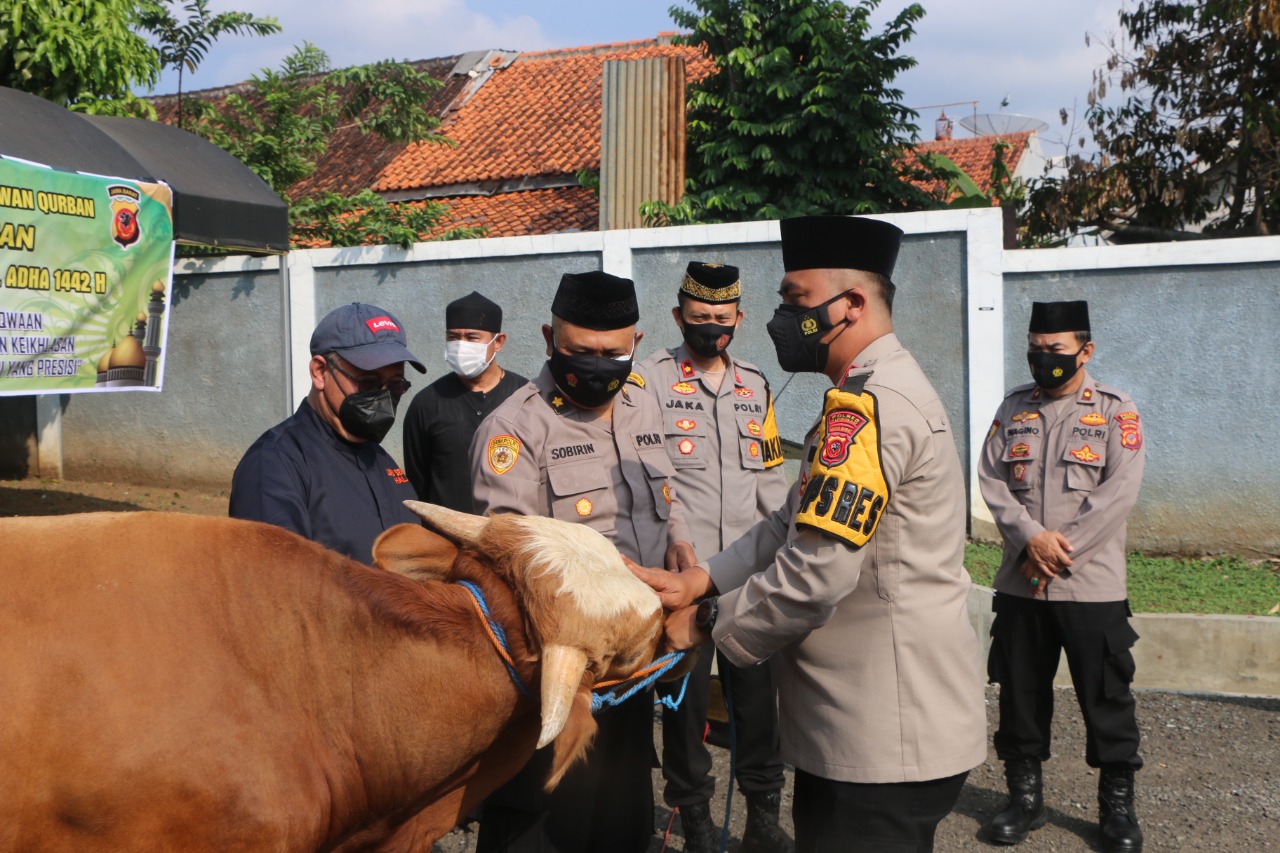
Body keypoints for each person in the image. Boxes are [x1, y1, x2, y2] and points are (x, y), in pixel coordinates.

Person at [630, 216, 987, 853]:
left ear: (850, 305)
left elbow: (818, 572)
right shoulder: (865, 393)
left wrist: (708, 619)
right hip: (867, 727)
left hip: (882, 732)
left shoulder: (870, 408)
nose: (778, 317)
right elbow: (792, 517)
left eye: (795, 300)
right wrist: (702, 576)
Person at [469, 269, 696, 853]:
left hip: (637, 667)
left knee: (618, 826)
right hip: (561, 682)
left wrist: (684, 548)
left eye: (612, 354)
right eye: (579, 352)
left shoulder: (645, 403)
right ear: (548, 338)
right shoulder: (515, 429)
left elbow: (668, 499)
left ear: (636, 346)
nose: (598, 365)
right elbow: (512, 569)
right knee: (540, 826)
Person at [634, 261, 793, 853]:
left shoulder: (756, 384)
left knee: (759, 703)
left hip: (751, 578)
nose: (712, 329)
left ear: (739, 319)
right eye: (699, 319)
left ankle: (762, 819)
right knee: (683, 704)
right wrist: (679, 546)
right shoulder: (648, 381)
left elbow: (773, 480)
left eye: (722, 320)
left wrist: (782, 555)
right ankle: (695, 820)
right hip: (686, 578)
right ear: (679, 317)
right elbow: (653, 480)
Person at [977, 300, 1146, 853]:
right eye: (1035, 349)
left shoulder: (1117, 411)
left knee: (1106, 696)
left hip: (1091, 585)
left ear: (1085, 350)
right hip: (1021, 584)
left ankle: (1116, 809)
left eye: (1056, 350)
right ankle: (1024, 800)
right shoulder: (1013, 409)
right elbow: (992, 480)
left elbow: (1117, 494)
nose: (1043, 360)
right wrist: (1031, 539)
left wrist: (1055, 553)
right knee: (1021, 693)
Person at [229, 302, 424, 564]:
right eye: (369, 383)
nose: (384, 397)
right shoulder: (274, 465)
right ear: (320, 372)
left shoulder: (381, 461)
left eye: (396, 385)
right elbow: (273, 584)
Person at [402, 291, 526, 511]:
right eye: (453, 337)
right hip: (447, 539)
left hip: (510, 536)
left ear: (498, 342)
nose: (461, 345)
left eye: (471, 338)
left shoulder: (525, 397)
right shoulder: (427, 403)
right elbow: (417, 482)